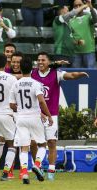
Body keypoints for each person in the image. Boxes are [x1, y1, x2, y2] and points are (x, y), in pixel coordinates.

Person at [31, 52, 89, 180]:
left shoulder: (56, 73)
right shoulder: (32, 74)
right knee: (35, 143)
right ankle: (38, 168)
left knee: (51, 142)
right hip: (36, 114)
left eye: (43, 60)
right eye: (38, 60)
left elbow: (71, 75)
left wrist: (80, 75)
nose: (40, 62)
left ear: (49, 62)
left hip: (52, 115)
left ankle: (51, 171)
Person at [11, 57, 53, 184]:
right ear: (32, 69)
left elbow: (11, 105)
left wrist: (22, 109)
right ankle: (37, 164)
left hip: (21, 118)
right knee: (42, 144)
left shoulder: (15, 84)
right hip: (35, 118)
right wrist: (49, 115)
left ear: (21, 69)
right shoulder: (36, 83)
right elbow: (41, 100)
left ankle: (24, 172)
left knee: (24, 147)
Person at [69, 0, 97, 68]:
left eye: (80, 5)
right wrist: (77, 42)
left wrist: (90, 6)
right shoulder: (70, 20)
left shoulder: (88, 16)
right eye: (76, 6)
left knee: (91, 75)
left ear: (83, 6)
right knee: (76, 76)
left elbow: (95, 20)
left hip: (89, 51)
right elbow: (69, 38)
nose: (78, 7)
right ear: (73, 8)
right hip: (76, 53)